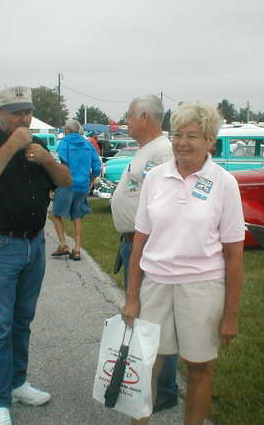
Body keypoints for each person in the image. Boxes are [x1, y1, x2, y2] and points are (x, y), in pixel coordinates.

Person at [122, 102, 245, 425]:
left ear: (210, 141)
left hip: (202, 288)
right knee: (146, 363)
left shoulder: (224, 183)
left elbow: (234, 255)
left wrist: (230, 315)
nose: (182, 142)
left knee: (200, 368)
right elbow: (140, 242)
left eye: (193, 135)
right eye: (177, 134)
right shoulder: (155, 179)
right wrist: (132, 297)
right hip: (156, 285)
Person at [0, 86, 71, 425]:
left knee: (22, 320)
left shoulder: (38, 146)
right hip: (0, 245)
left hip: (34, 243)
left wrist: (46, 159)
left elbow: (66, 181)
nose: (23, 118)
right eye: (15, 112)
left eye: (27, 112)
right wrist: (12, 146)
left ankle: (17, 382)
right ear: (0, 114)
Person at [110, 95, 178, 414]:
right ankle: (154, 382)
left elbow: (161, 205)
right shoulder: (146, 149)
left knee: (154, 317)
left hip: (147, 244)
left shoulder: (163, 151)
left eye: (129, 115)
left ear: (146, 117)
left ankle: (163, 389)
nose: (126, 120)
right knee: (149, 316)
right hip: (133, 241)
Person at [50, 119, 101, 261]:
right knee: (77, 217)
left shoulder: (64, 143)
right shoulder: (88, 144)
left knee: (55, 214)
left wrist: (53, 185)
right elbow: (97, 167)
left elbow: (59, 165)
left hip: (67, 184)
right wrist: (91, 180)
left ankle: (63, 244)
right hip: (83, 185)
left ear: (66, 130)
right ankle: (77, 249)